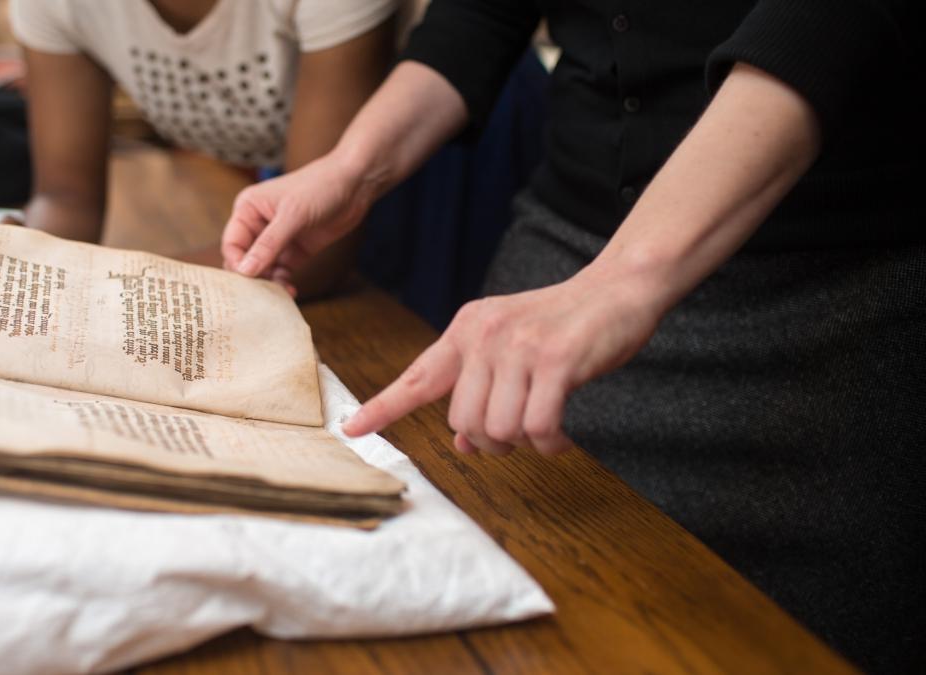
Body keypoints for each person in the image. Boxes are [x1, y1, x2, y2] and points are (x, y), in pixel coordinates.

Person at [221, 1, 924, 672]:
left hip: (824, 319)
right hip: (552, 284)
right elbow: (481, 14)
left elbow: (835, 21)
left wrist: (620, 282)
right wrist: (351, 169)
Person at [0, 0, 401, 303]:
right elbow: (66, 196)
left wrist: (82, 281)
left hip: (413, 175)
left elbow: (315, 252)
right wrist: (13, 260)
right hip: (280, 198)